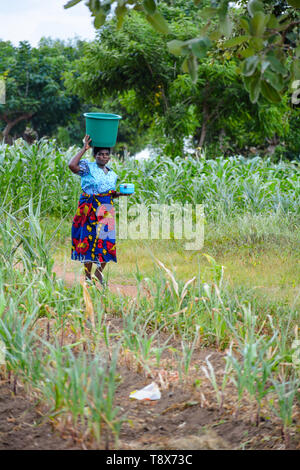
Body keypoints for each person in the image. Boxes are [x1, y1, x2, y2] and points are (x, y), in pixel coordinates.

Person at [68, 135, 128, 286]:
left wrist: (120, 194)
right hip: (89, 209)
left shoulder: (112, 174)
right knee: (88, 239)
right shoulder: (87, 167)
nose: (104, 156)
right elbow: (72, 166)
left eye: (106, 154)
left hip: (106, 209)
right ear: (95, 155)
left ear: (109, 157)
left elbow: (109, 193)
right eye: (100, 154)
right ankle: (88, 276)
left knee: (107, 241)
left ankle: (98, 273)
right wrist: (84, 148)